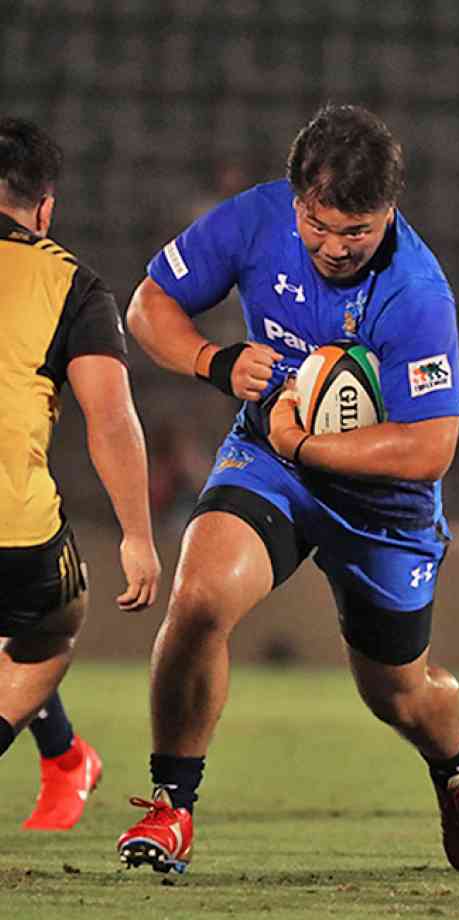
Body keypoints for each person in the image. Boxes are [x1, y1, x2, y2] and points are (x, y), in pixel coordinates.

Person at [117, 104, 459, 875]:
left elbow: (431, 447)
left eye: (357, 232)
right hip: (272, 464)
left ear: (389, 212)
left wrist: (308, 443)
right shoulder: (256, 220)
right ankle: (171, 807)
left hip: (382, 507)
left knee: (398, 695)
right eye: (319, 225)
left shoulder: (416, 292)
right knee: (200, 598)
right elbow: (148, 306)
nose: (334, 247)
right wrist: (215, 362)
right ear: (297, 200)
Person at [0, 116, 161, 831]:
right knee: (51, 621)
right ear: (44, 209)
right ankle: (66, 757)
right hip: (19, 534)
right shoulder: (74, 282)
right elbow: (112, 419)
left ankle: (67, 758)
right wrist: (137, 536)